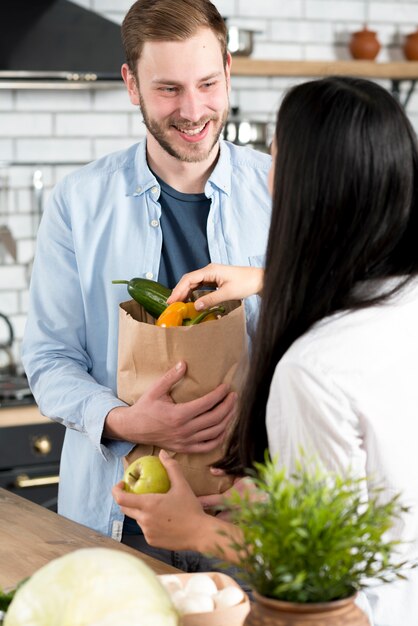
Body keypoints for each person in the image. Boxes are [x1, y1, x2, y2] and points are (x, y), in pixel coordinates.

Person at [113, 76, 418, 626]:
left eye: (274, 154)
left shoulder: (313, 371)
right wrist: (267, 278)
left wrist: (196, 530)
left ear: (299, 189)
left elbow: (328, 580)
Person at [21, 0, 271, 570]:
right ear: (131, 84)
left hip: (250, 517)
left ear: (229, 70)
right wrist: (123, 421)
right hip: (115, 522)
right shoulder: (78, 203)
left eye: (208, 83)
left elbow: (345, 309)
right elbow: (50, 358)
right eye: (168, 89)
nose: (192, 109)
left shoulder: (280, 190)